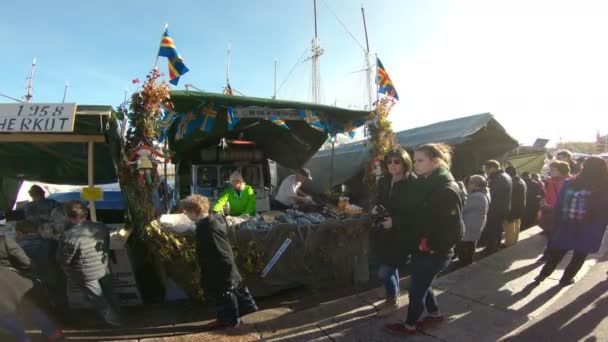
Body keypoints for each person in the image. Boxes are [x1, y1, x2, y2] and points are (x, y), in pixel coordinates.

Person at [385, 143, 465, 336]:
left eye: (420, 160)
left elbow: (453, 230)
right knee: (422, 283)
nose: (415, 164)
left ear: (435, 161)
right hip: (422, 247)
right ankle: (435, 314)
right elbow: (418, 215)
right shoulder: (425, 184)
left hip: (434, 251)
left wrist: (431, 247)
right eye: (414, 160)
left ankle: (410, 325)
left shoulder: (446, 188)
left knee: (416, 290)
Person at [179, 195, 258, 330]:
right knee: (220, 295)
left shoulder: (209, 227)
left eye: (186, 211)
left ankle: (231, 322)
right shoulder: (206, 224)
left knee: (225, 295)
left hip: (220, 269)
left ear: (194, 211)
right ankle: (224, 319)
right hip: (215, 267)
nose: (185, 214)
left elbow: (223, 251)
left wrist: (228, 272)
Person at [534, 157, 608, 286]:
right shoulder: (604, 188)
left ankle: (542, 275)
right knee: (579, 256)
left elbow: (558, 206)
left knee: (557, 253)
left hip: (567, 224)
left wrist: (557, 225)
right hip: (590, 229)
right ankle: (566, 279)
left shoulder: (570, 183)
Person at [57, 201, 121, 326]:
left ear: (69, 217)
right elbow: (107, 244)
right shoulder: (101, 226)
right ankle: (118, 317)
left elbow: (64, 259)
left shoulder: (69, 236)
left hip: (86, 273)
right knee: (110, 295)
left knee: (99, 300)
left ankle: (114, 323)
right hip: (103, 267)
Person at [371, 148, 417, 317]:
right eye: (389, 161)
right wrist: (375, 208)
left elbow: (417, 212)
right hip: (384, 230)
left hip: (401, 233)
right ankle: (394, 293)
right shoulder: (384, 180)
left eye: (397, 161)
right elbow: (379, 199)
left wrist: (396, 221)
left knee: (385, 270)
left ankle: (392, 300)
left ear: (405, 162)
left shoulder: (413, 182)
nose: (392, 165)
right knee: (389, 266)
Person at [0, 236, 64, 342]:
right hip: (13, 280)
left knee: (4, 315)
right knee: (29, 309)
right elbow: (25, 262)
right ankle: (52, 333)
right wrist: (25, 271)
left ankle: (22, 339)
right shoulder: (3, 240)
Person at [456, 175, 490, 266]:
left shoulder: (476, 196)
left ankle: (464, 265)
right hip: (476, 224)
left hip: (470, 226)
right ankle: (466, 262)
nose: (468, 185)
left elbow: (463, 209)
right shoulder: (483, 193)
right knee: (470, 245)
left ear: (474, 184)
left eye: (470, 183)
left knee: (465, 248)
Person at [480, 160, 512, 254]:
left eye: (486, 168)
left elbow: (491, 194)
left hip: (495, 209)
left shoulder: (497, 178)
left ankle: (491, 249)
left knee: (493, 230)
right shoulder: (505, 175)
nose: (485, 171)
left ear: (492, 168)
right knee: (498, 229)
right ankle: (495, 246)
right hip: (503, 207)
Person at [504, 166, 527, 246]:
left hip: (512, 207)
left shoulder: (512, 183)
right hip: (520, 206)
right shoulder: (521, 180)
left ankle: (509, 243)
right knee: (517, 224)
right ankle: (514, 240)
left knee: (509, 226)